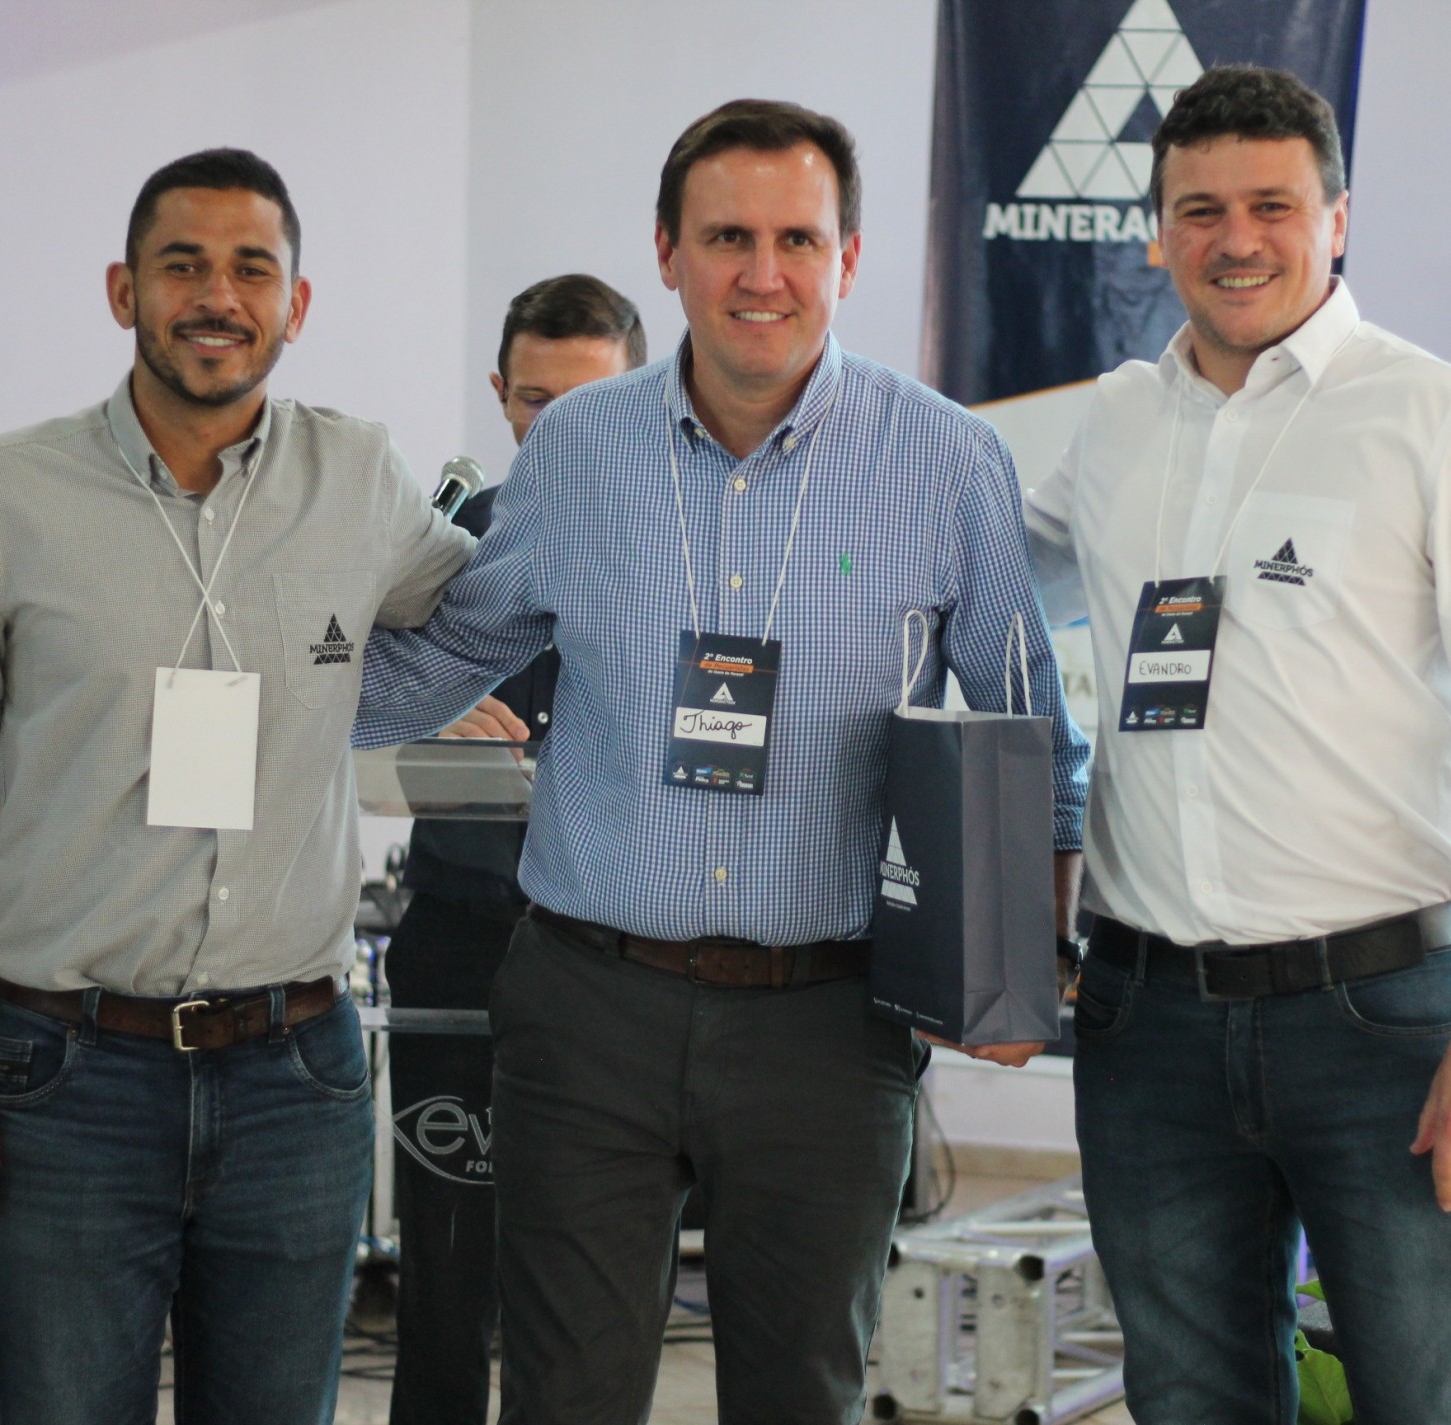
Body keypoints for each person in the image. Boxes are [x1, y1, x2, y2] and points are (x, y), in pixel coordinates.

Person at [355, 99, 1091, 1425]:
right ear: (668, 252)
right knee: (565, 1398)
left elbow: (1032, 723)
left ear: (848, 258)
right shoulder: (579, 449)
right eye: (727, 237)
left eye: (797, 239)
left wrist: (1027, 961)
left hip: (830, 1024)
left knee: (798, 1395)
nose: (764, 273)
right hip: (591, 1008)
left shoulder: (946, 461)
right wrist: (259, 681)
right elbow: (451, 650)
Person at [1024, 66, 1451, 1423]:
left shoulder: (1436, 417)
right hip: (1146, 1025)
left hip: (1382, 1022)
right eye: (1200, 210)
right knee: (1189, 1399)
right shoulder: (1115, 423)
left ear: (1337, 219)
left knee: (1432, 1400)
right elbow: (976, 590)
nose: (1237, 240)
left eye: (1272, 205)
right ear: (1157, 233)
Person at [0, 147, 475, 1424]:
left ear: (295, 304)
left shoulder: (361, 479)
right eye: (183, 266)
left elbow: (483, 609)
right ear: (123, 291)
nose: (217, 297)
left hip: (296, 1074)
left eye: (252, 269)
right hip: (69, 1075)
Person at [384, 272, 645, 1425]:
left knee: (583, 1277)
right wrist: (421, 705)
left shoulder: (701, 544)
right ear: (499, 395)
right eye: (537, 402)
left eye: (589, 401)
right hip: (458, 933)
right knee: (445, 1264)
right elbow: (329, 675)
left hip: (614, 950)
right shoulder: (442, 545)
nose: (561, 429)